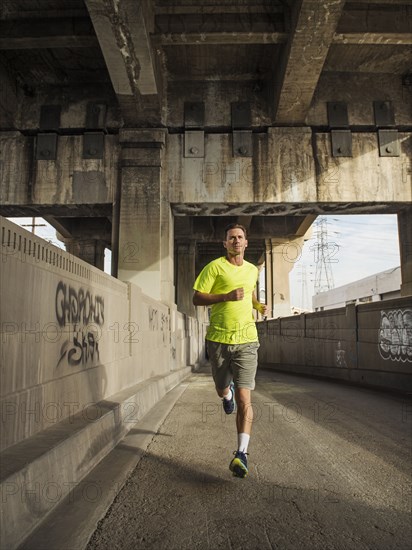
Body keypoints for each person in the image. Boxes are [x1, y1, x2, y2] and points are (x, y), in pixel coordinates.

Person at [192, 223, 267, 478]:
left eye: (240, 237)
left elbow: (250, 294)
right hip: (219, 340)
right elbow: (197, 297)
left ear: (246, 242)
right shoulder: (214, 267)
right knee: (221, 388)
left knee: (247, 399)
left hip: (247, 340)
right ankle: (227, 396)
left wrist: (258, 305)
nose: (236, 241)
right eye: (231, 238)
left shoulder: (252, 270)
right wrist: (225, 296)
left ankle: (241, 453)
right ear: (225, 243)